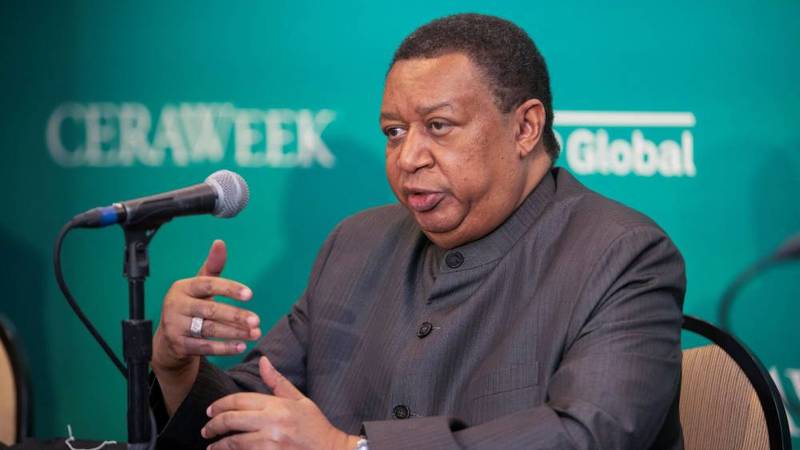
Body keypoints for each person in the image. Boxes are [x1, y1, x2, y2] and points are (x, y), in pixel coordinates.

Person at [150, 13, 685, 450]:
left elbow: (588, 434)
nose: (407, 158)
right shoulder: (355, 245)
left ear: (525, 127)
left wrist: (349, 449)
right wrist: (177, 368)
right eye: (394, 132)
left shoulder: (622, 254)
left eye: (438, 126)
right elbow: (257, 414)